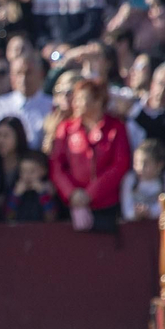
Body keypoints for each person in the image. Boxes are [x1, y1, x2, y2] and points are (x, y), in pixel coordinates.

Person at [51, 77, 132, 232]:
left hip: (107, 206)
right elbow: (56, 165)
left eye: (82, 98)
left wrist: (91, 193)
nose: (76, 103)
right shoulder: (66, 128)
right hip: (71, 206)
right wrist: (71, 193)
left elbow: (120, 165)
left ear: (98, 100)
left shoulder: (116, 127)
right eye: (76, 98)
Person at [120, 139, 165, 222]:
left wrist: (150, 212)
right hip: (135, 230)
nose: (140, 168)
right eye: (136, 163)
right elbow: (126, 210)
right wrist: (135, 214)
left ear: (159, 165)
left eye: (145, 163)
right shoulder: (130, 180)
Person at [5, 152, 58, 223]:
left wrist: (42, 193)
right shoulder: (15, 190)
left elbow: (51, 218)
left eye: (32, 171)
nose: (27, 176)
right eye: (23, 171)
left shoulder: (49, 190)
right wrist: (16, 195)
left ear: (44, 171)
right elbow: (8, 217)